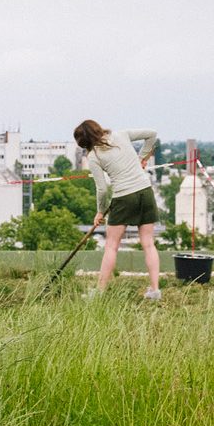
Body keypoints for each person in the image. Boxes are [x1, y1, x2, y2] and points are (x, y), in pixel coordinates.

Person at [73, 120, 161, 298]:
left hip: (123, 197)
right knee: (148, 243)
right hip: (145, 191)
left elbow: (102, 189)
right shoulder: (122, 134)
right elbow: (152, 133)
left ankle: (99, 292)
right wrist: (141, 158)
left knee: (111, 247)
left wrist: (100, 211)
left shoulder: (94, 156)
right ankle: (155, 290)